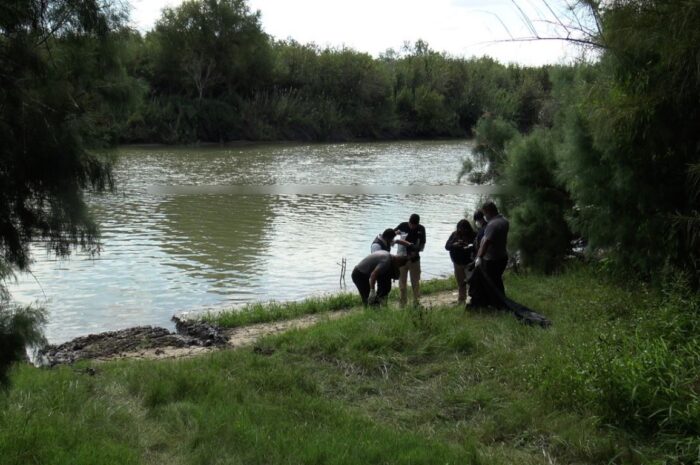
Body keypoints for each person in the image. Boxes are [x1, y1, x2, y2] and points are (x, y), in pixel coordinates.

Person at [473, 201, 509, 307]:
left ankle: (497, 304)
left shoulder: (492, 224)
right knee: (497, 280)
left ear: (489, 211)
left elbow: (486, 243)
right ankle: (500, 302)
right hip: (503, 256)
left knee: (492, 283)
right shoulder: (504, 221)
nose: (484, 216)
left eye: (484, 213)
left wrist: (479, 257)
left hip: (493, 259)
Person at [395, 213, 427, 307]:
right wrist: (396, 233)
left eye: (414, 225)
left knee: (415, 282)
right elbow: (392, 234)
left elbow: (422, 245)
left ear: (418, 224)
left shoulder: (421, 229)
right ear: (408, 222)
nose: (412, 227)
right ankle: (403, 303)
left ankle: (416, 302)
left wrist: (416, 252)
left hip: (414, 260)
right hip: (401, 259)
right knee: (402, 282)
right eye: (411, 224)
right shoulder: (403, 225)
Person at [445, 219, 476, 304]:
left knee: (472, 282)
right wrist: (454, 245)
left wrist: (467, 245)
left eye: (463, 229)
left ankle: (474, 299)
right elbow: (447, 246)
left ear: (467, 228)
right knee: (461, 283)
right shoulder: (454, 235)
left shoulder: (473, 235)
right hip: (457, 263)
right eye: (459, 229)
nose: (461, 231)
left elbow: (477, 247)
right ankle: (461, 300)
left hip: (469, 263)